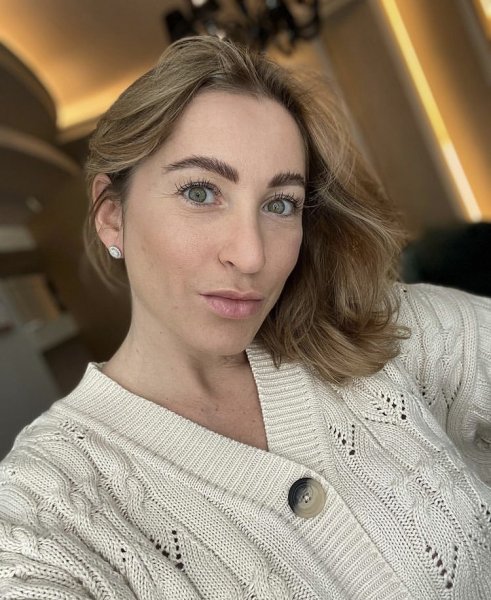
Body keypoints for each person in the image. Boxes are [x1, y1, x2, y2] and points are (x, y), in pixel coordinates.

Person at [0, 35, 490, 600]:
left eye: (280, 204)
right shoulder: (43, 510)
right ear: (113, 217)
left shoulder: (381, 331)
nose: (252, 255)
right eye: (200, 192)